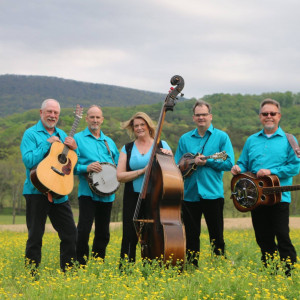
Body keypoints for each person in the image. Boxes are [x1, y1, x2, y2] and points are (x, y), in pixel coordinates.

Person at [231, 98, 300, 275]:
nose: (269, 116)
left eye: (272, 113)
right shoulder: (251, 140)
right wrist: (238, 167)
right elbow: (243, 163)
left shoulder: (289, 140)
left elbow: (295, 167)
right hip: (256, 197)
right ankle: (270, 272)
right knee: (263, 237)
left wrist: (271, 171)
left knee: (282, 236)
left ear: (279, 116)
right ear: (260, 116)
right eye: (265, 114)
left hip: (279, 197)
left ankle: (289, 274)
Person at [174, 100, 235, 266]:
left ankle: (219, 265)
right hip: (189, 193)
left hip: (212, 193)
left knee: (216, 234)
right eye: (198, 115)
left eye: (204, 115)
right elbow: (177, 165)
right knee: (192, 235)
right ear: (193, 117)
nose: (201, 118)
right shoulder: (185, 139)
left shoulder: (222, 137)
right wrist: (190, 162)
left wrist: (207, 162)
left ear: (210, 116)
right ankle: (192, 266)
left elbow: (229, 163)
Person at [20, 99, 77, 272]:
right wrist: (47, 143)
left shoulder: (62, 134)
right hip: (36, 191)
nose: (52, 116)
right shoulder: (30, 134)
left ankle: (69, 272)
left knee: (71, 234)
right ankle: (31, 275)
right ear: (41, 112)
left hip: (60, 192)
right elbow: (29, 161)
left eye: (56, 113)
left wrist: (75, 148)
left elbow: (69, 162)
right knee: (35, 236)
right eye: (49, 112)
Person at [116, 112, 172, 264]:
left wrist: (169, 158)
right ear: (132, 129)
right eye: (136, 126)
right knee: (129, 234)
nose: (139, 128)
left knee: (154, 233)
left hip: (156, 196)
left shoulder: (162, 145)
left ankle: (154, 267)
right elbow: (120, 176)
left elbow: (172, 171)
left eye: (142, 125)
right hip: (133, 196)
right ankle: (126, 269)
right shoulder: (126, 148)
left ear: (149, 126)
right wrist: (142, 171)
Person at [74, 105, 119, 265]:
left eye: (98, 117)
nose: (95, 120)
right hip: (87, 192)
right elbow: (68, 166)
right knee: (84, 230)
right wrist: (86, 167)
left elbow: (119, 165)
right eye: (92, 117)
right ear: (86, 119)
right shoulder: (77, 139)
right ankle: (81, 263)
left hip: (108, 193)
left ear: (102, 119)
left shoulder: (109, 142)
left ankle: (99, 263)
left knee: (103, 232)